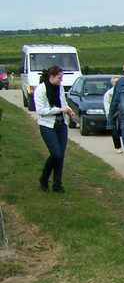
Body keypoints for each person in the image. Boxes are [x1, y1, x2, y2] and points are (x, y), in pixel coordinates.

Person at [34, 65, 75, 193]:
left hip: (61, 124)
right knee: (56, 153)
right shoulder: (40, 90)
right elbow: (41, 111)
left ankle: (57, 184)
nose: (61, 81)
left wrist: (68, 110)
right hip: (47, 125)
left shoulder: (60, 88)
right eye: (59, 78)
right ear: (51, 77)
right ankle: (44, 178)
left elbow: (63, 103)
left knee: (61, 156)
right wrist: (59, 110)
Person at [103, 75, 124, 154]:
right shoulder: (109, 94)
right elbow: (107, 105)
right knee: (115, 131)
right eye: (115, 82)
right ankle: (118, 147)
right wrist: (112, 113)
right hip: (114, 115)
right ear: (112, 83)